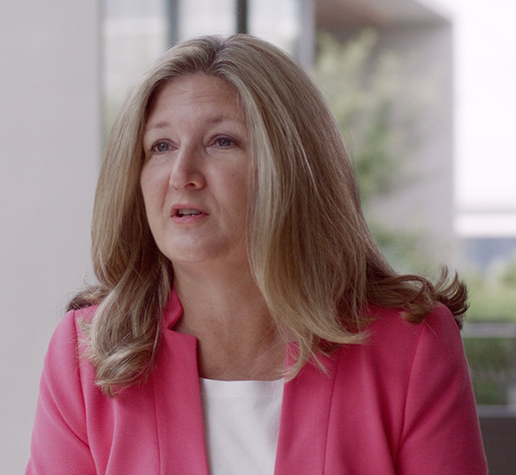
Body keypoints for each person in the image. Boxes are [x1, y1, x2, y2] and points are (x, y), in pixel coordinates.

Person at [26, 34, 487, 474]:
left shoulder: (411, 347)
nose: (182, 174)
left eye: (221, 141)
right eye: (161, 146)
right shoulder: (86, 351)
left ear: (291, 168)